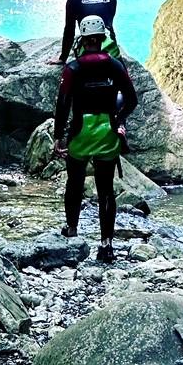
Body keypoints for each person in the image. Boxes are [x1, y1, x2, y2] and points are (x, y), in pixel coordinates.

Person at [53, 14, 137, 262]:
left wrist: (59, 137)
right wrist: (118, 119)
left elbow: (63, 104)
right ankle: (106, 244)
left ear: (82, 39)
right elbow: (131, 100)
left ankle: (72, 231)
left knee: (75, 183)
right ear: (101, 38)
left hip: (81, 131)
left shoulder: (73, 68)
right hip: (107, 131)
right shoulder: (115, 65)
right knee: (106, 190)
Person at [49, 0, 119, 66]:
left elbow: (69, 30)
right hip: (109, 45)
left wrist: (63, 58)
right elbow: (109, 23)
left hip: (88, 46)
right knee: (121, 72)